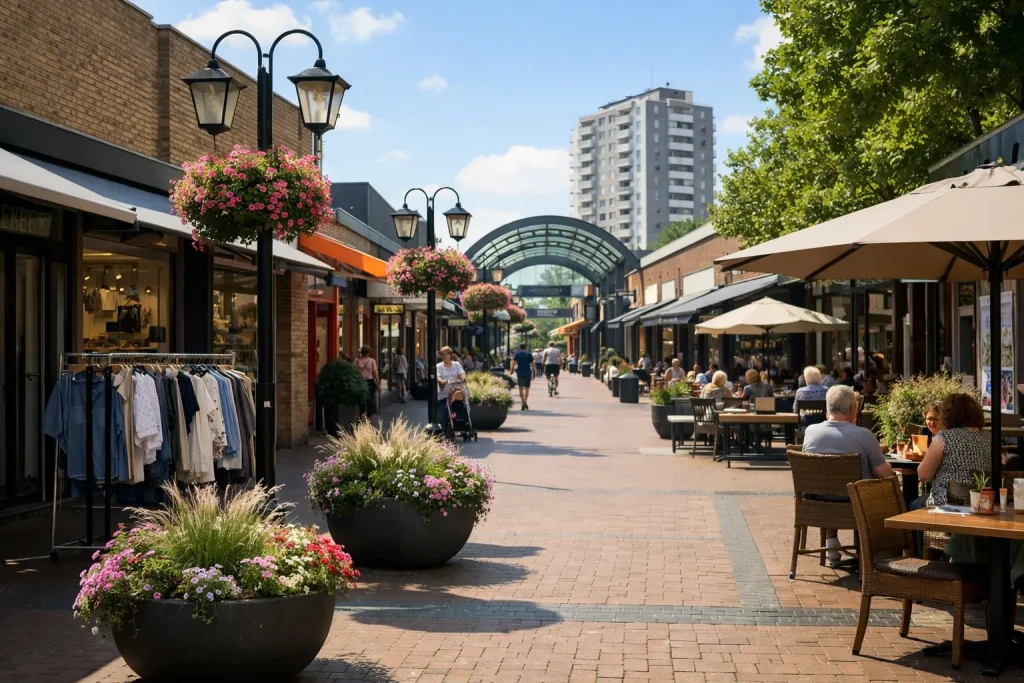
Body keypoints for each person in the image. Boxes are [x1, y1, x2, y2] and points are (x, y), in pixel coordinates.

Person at [802, 385, 895, 560]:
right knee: (885, 488)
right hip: (856, 505)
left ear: (827, 407)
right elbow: (885, 474)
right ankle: (875, 550)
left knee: (831, 482)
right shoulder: (864, 435)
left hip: (816, 502)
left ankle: (831, 543)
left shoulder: (810, 431)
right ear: (853, 408)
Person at [916, 393, 991, 508]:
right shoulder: (989, 438)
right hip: (982, 502)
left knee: (915, 503)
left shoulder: (944, 437)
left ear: (948, 415)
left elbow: (923, 475)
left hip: (947, 502)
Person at [435, 346, 466, 425]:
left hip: (455, 391)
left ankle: (460, 425)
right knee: (442, 416)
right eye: (441, 354)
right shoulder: (439, 366)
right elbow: (437, 376)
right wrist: (441, 381)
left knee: (461, 411)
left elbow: (462, 373)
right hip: (444, 392)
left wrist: (463, 378)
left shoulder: (456, 364)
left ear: (450, 354)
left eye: (445, 354)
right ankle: (442, 433)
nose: (443, 355)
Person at [354, 345, 380, 418]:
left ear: (361, 352)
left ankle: (362, 413)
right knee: (370, 398)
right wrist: (378, 381)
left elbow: (353, 371)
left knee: (361, 398)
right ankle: (368, 414)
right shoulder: (372, 361)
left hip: (360, 381)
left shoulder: (356, 360)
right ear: (369, 353)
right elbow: (375, 372)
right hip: (370, 382)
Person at [512, 342, 534, 410]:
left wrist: (511, 370)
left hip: (520, 372)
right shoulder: (529, 354)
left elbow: (513, 363)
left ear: (519, 347)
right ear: (525, 347)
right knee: (527, 388)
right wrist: (534, 371)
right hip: (527, 372)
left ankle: (523, 402)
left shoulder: (517, 354)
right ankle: (525, 401)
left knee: (521, 387)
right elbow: (533, 363)